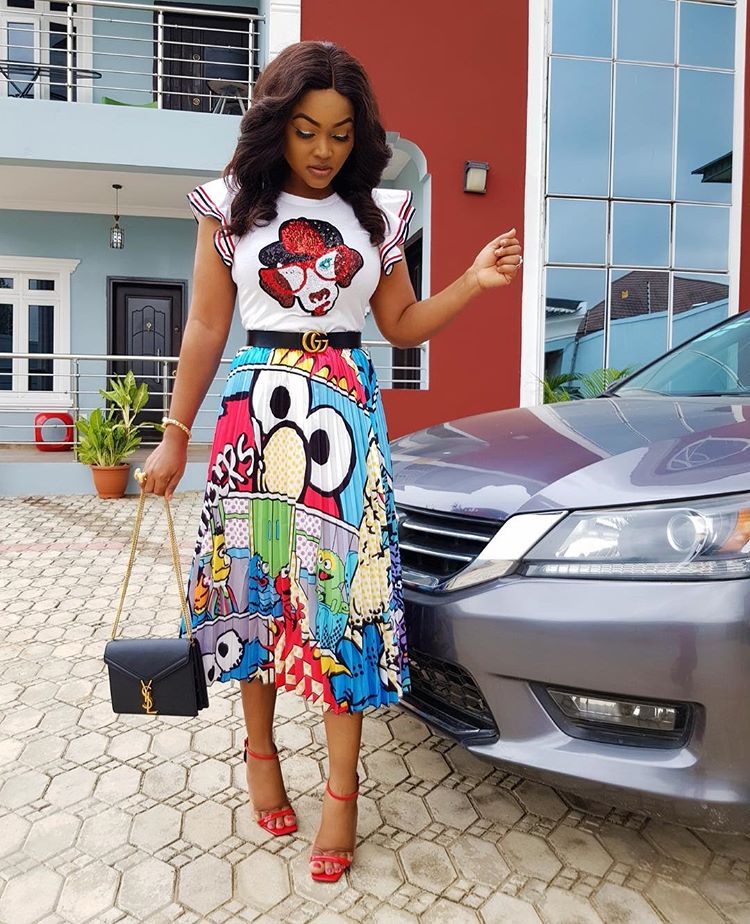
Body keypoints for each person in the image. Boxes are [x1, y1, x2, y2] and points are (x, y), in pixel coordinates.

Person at [139, 39, 522, 884]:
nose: (322, 150)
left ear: (360, 136)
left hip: (344, 412)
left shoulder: (378, 215)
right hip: (252, 412)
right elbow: (205, 325)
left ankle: (342, 793)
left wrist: (471, 282)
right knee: (256, 589)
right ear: (277, 125)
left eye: (341, 134)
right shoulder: (230, 205)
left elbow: (402, 325)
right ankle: (260, 754)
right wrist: (174, 430)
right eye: (306, 129)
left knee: (343, 598)